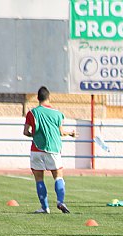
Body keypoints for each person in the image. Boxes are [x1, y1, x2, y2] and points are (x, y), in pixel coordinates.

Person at [23, 86, 77, 214]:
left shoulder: (32, 113)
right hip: (53, 149)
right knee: (58, 176)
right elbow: (61, 132)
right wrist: (71, 133)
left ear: (37, 98)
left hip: (36, 149)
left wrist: (35, 134)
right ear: (49, 98)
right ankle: (60, 201)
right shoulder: (58, 114)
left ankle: (44, 207)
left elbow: (26, 132)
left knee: (39, 179)